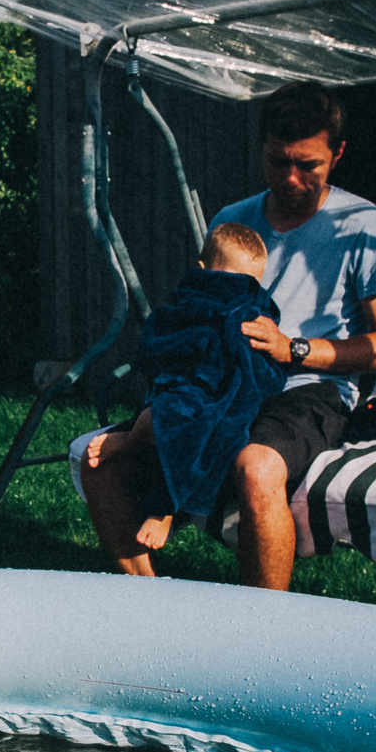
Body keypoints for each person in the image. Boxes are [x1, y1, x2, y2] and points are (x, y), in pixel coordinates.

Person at [76, 80, 376, 590]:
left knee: (254, 467)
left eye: (309, 165)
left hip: (307, 390)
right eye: (279, 162)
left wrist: (292, 349)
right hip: (219, 384)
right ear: (262, 150)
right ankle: (145, 608)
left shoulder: (364, 227)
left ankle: (263, 633)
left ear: (337, 154)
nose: (292, 178)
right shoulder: (234, 221)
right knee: (99, 459)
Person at [75, 221, 285, 557]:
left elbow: (265, 370)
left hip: (220, 395)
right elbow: (161, 339)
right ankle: (148, 474)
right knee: (171, 421)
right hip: (182, 390)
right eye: (226, 283)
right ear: (202, 272)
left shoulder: (252, 314)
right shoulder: (189, 303)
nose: (236, 293)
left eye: (248, 286)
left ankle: (156, 486)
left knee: (208, 429)